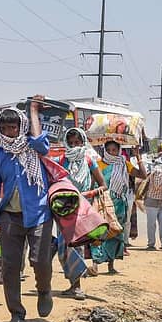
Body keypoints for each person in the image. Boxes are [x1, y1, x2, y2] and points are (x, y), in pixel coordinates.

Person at [0, 97, 53, 322]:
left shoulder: (33, 146)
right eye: (4, 128)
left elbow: (42, 142)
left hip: (39, 214)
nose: (9, 132)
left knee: (39, 260)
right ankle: (17, 314)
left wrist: (32, 110)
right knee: (10, 266)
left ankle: (43, 290)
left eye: (13, 127)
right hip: (10, 216)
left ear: (21, 126)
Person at [55, 128, 107, 298]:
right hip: (64, 209)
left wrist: (89, 193)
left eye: (77, 142)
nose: (74, 146)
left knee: (76, 245)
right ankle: (72, 283)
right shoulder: (62, 160)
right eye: (70, 143)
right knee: (63, 248)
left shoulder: (89, 160)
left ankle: (77, 286)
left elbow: (103, 184)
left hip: (83, 209)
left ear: (83, 142)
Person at [91, 141, 147, 272]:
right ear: (104, 151)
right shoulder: (98, 164)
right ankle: (95, 264)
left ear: (119, 150)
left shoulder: (123, 164)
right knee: (98, 232)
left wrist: (138, 158)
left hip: (119, 204)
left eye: (114, 150)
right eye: (109, 150)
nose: (111, 153)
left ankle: (111, 265)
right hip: (102, 203)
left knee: (115, 233)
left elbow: (143, 175)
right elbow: (93, 183)